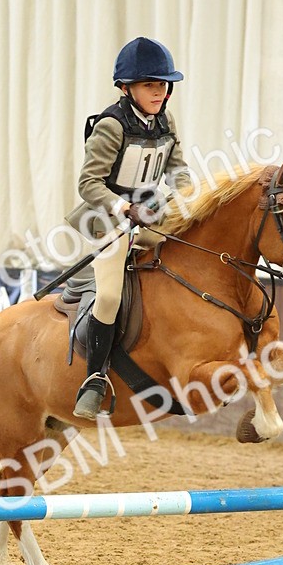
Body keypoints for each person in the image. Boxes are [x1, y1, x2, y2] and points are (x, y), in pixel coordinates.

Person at [65, 37, 191, 420]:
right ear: (126, 88)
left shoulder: (165, 120)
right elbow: (89, 183)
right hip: (107, 216)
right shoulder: (111, 125)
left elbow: (178, 168)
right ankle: (95, 379)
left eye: (163, 83)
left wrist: (187, 196)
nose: (160, 91)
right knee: (107, 297)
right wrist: (125, 207)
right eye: (150, 84)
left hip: (149, 212)